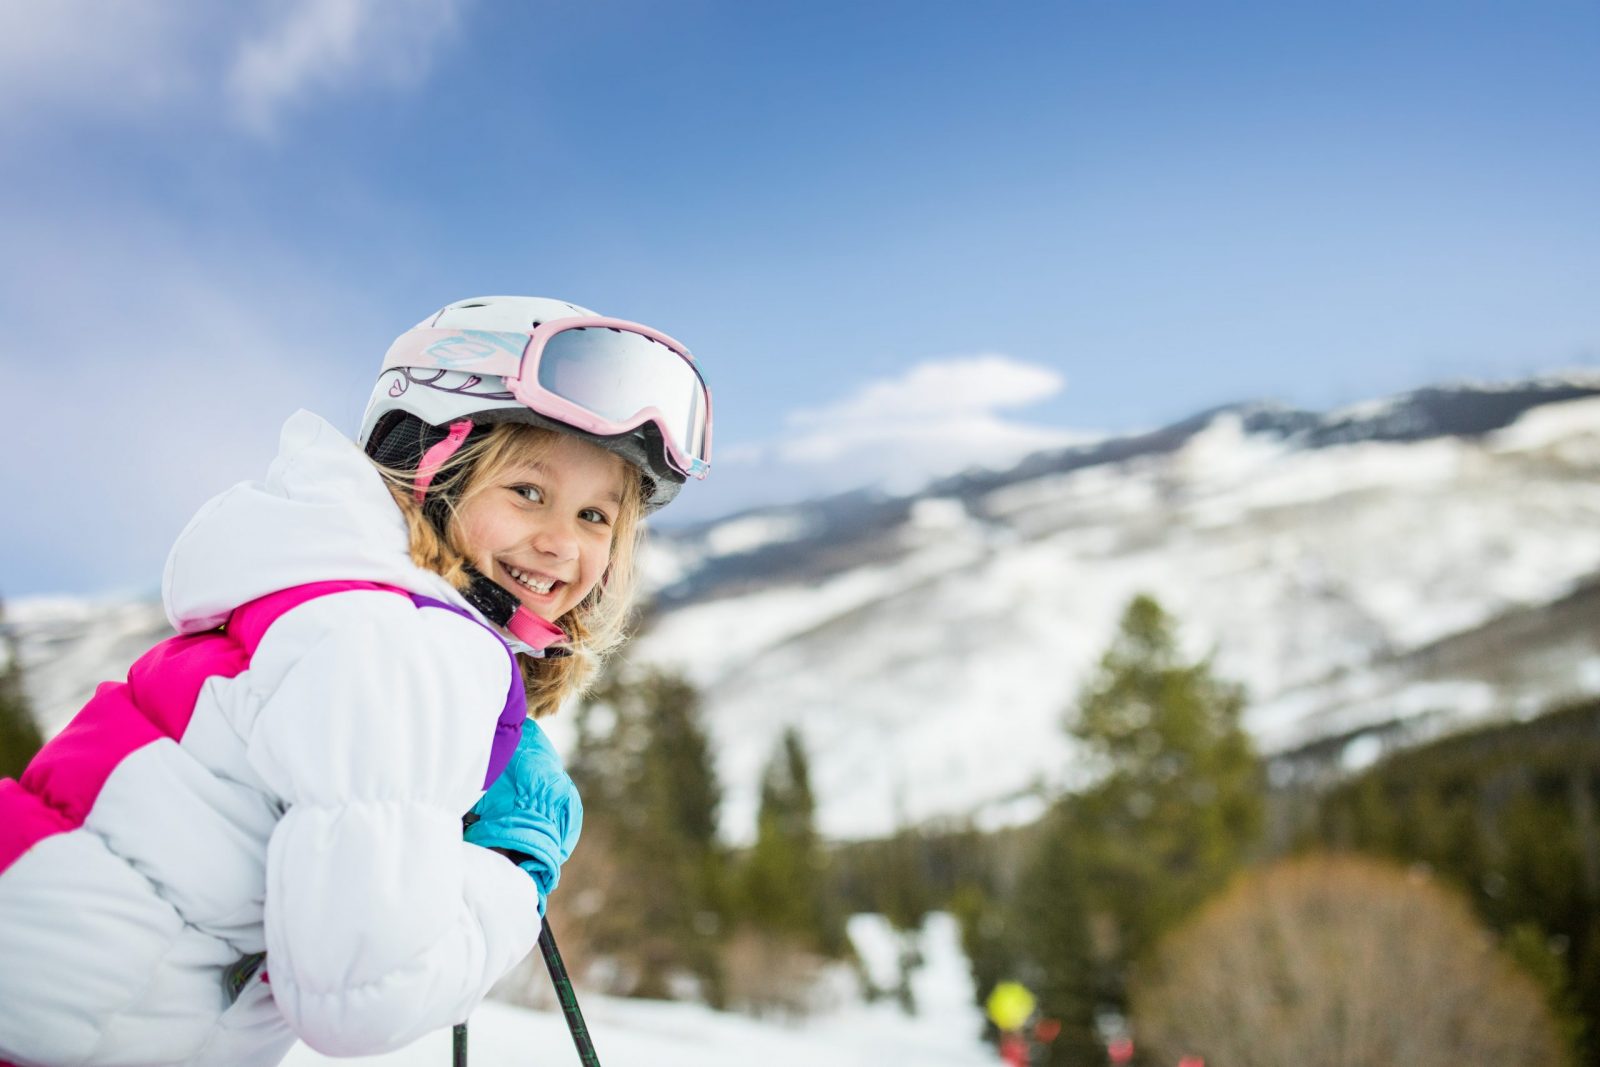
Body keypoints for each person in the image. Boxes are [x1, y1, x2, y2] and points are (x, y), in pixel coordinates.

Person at [0, 296, 713, 1066]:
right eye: (527, 492)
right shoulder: (406, 645)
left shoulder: (328, 592)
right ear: (432, 473)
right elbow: (360, 998)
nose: (559, 544)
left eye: (595, 517)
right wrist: (512, 866)